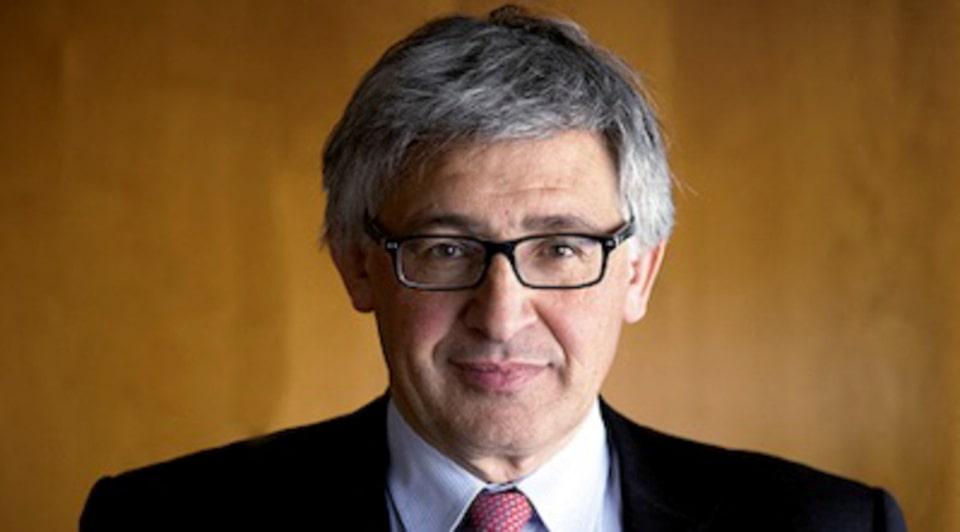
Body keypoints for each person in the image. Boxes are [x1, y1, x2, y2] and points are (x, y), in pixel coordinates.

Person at [80, 5, 907, 531]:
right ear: (358, 267)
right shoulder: (157, 523)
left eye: (560, 247)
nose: (502, 314)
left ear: (638, 274)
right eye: (446, 249)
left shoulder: (831, 525)